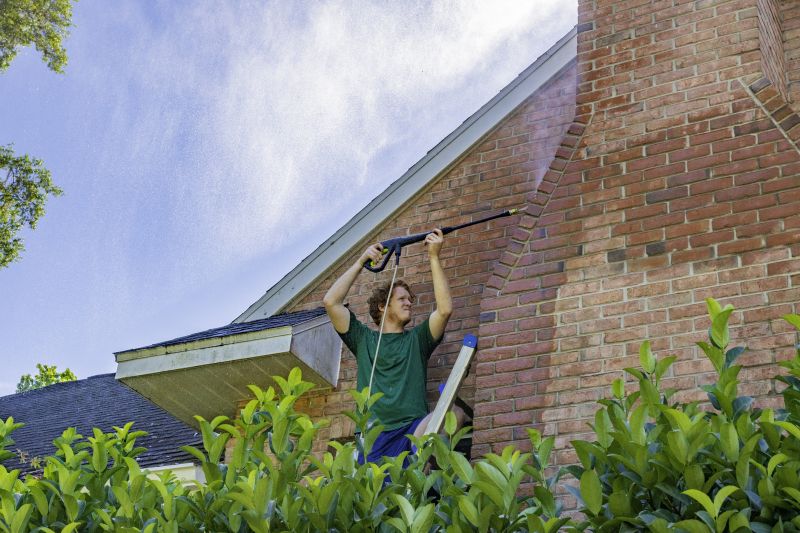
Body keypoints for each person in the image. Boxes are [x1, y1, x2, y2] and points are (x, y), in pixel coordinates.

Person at [323, 228, 460, 464]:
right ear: (383, 307)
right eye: (402, 299)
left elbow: (445, 309)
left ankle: (421, 465)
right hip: (374, 436)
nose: (409, 303)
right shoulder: (364, 339)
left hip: (412, 430)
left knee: (456, 414)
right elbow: (331, 302)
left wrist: (434, 257)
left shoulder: (417, 339)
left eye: (410, 299)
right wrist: (360, 261)